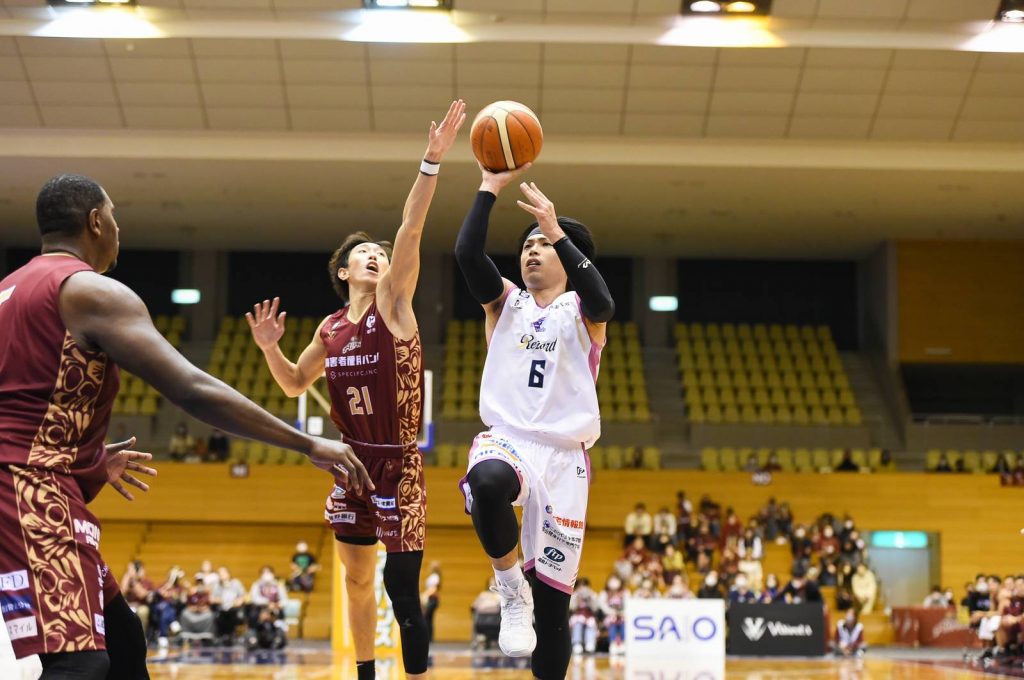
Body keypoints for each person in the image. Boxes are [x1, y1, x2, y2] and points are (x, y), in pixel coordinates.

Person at [0, 174, 368, 680]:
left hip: (31, 483)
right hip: (29, 491)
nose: (118, 230)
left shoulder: (9, 289)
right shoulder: (89, 292)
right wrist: (306, 443)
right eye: (114, 217)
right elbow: (191, 388)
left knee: (123, 639)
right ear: (96, 222)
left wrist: (88, 459)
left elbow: (23, 405)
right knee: (81, 664)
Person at [246, 101, 464, 680]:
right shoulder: (330, 327)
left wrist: (431, 161)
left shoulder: (394, 304)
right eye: (363, 253)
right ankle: (365, 674)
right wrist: (269, 348)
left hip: (398, 463)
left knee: (401, 587)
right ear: (343, 272)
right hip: (350, 463)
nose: (376, 256)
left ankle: (415, 673)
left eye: (381, 254)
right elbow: (294, 382)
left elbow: (411, 227)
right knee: (357, 578)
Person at [454, 159, 614, 680]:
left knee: (553, 609)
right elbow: (466, 254)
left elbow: (604, 301)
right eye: (527, 244)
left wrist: (556, 230)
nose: (532, 250)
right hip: (508, 439)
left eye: (543, 244)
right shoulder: (506, 303)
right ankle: (508, 587)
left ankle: (533, 607)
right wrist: (488, 186)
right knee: (486, 481)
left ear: (567, 257)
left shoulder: (582, 311)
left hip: (564, 458)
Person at [210, 567, 246, 644]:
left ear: (228, 574)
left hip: (234, 608)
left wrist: (239, 600)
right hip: (221, 608)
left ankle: (231, 635)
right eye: (220, 573)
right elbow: (212, 598)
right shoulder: (216, 585)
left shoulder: (236, 583)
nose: (221, 575)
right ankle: (222, 636)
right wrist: (218, 600)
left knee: (233, 613)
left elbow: (243, 596)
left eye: (223, 573)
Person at [568, 578, 599, 656]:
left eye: (585, 586)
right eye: (581, 586)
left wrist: (590, 599)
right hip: (577, 617)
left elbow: (595, 608)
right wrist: (577, 601)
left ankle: (590, 643)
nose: (583, 588)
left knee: (591, 625)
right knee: (577, 625)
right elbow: (571, 607)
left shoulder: (592, 595)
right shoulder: (574, 595)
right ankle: (577, 643)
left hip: (589, 616)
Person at [598, 576, 627, 656]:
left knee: (624, 626)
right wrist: (612, 612)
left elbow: (628, 604)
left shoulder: (624, 593)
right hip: (610, 617)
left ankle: (623, 643)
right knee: (612, 625)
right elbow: (602, 606)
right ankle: (613, 643)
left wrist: (622, 613)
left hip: (622, 617)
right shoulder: (604, 593)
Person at [421, 561, 442, 644]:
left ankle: (429, 637)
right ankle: (429, 637)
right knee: (429, 618)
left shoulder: (435, 577)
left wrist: (425, 595)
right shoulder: (434, 577)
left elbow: (433, 589)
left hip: (432, 599)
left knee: (427, 617)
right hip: (431, 598)